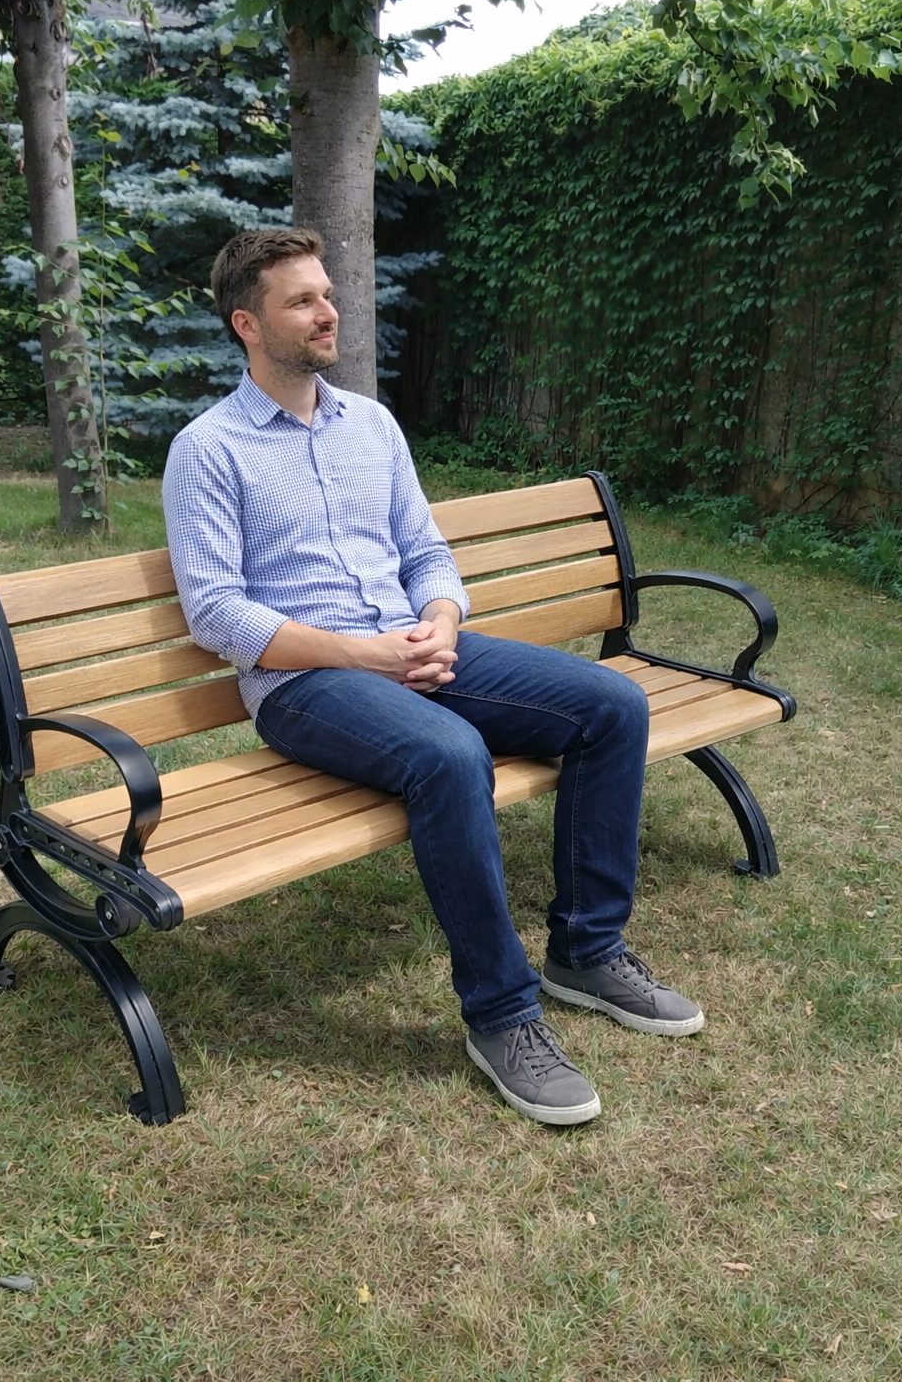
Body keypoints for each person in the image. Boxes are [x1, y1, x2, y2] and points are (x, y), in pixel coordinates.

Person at [163, 227, 704, 1127]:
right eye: (302, 301)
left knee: (610, 703)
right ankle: (503, 1016)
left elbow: (425, 552)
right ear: (247, 325)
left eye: (326, 294)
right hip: (305, 684)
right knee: (451, 756)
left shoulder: (371, 426)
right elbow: (217, 613)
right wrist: (366, 654)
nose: (328, 312)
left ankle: (586, 950)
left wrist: (441, 622)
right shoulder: (208, 449)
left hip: (415, 646)